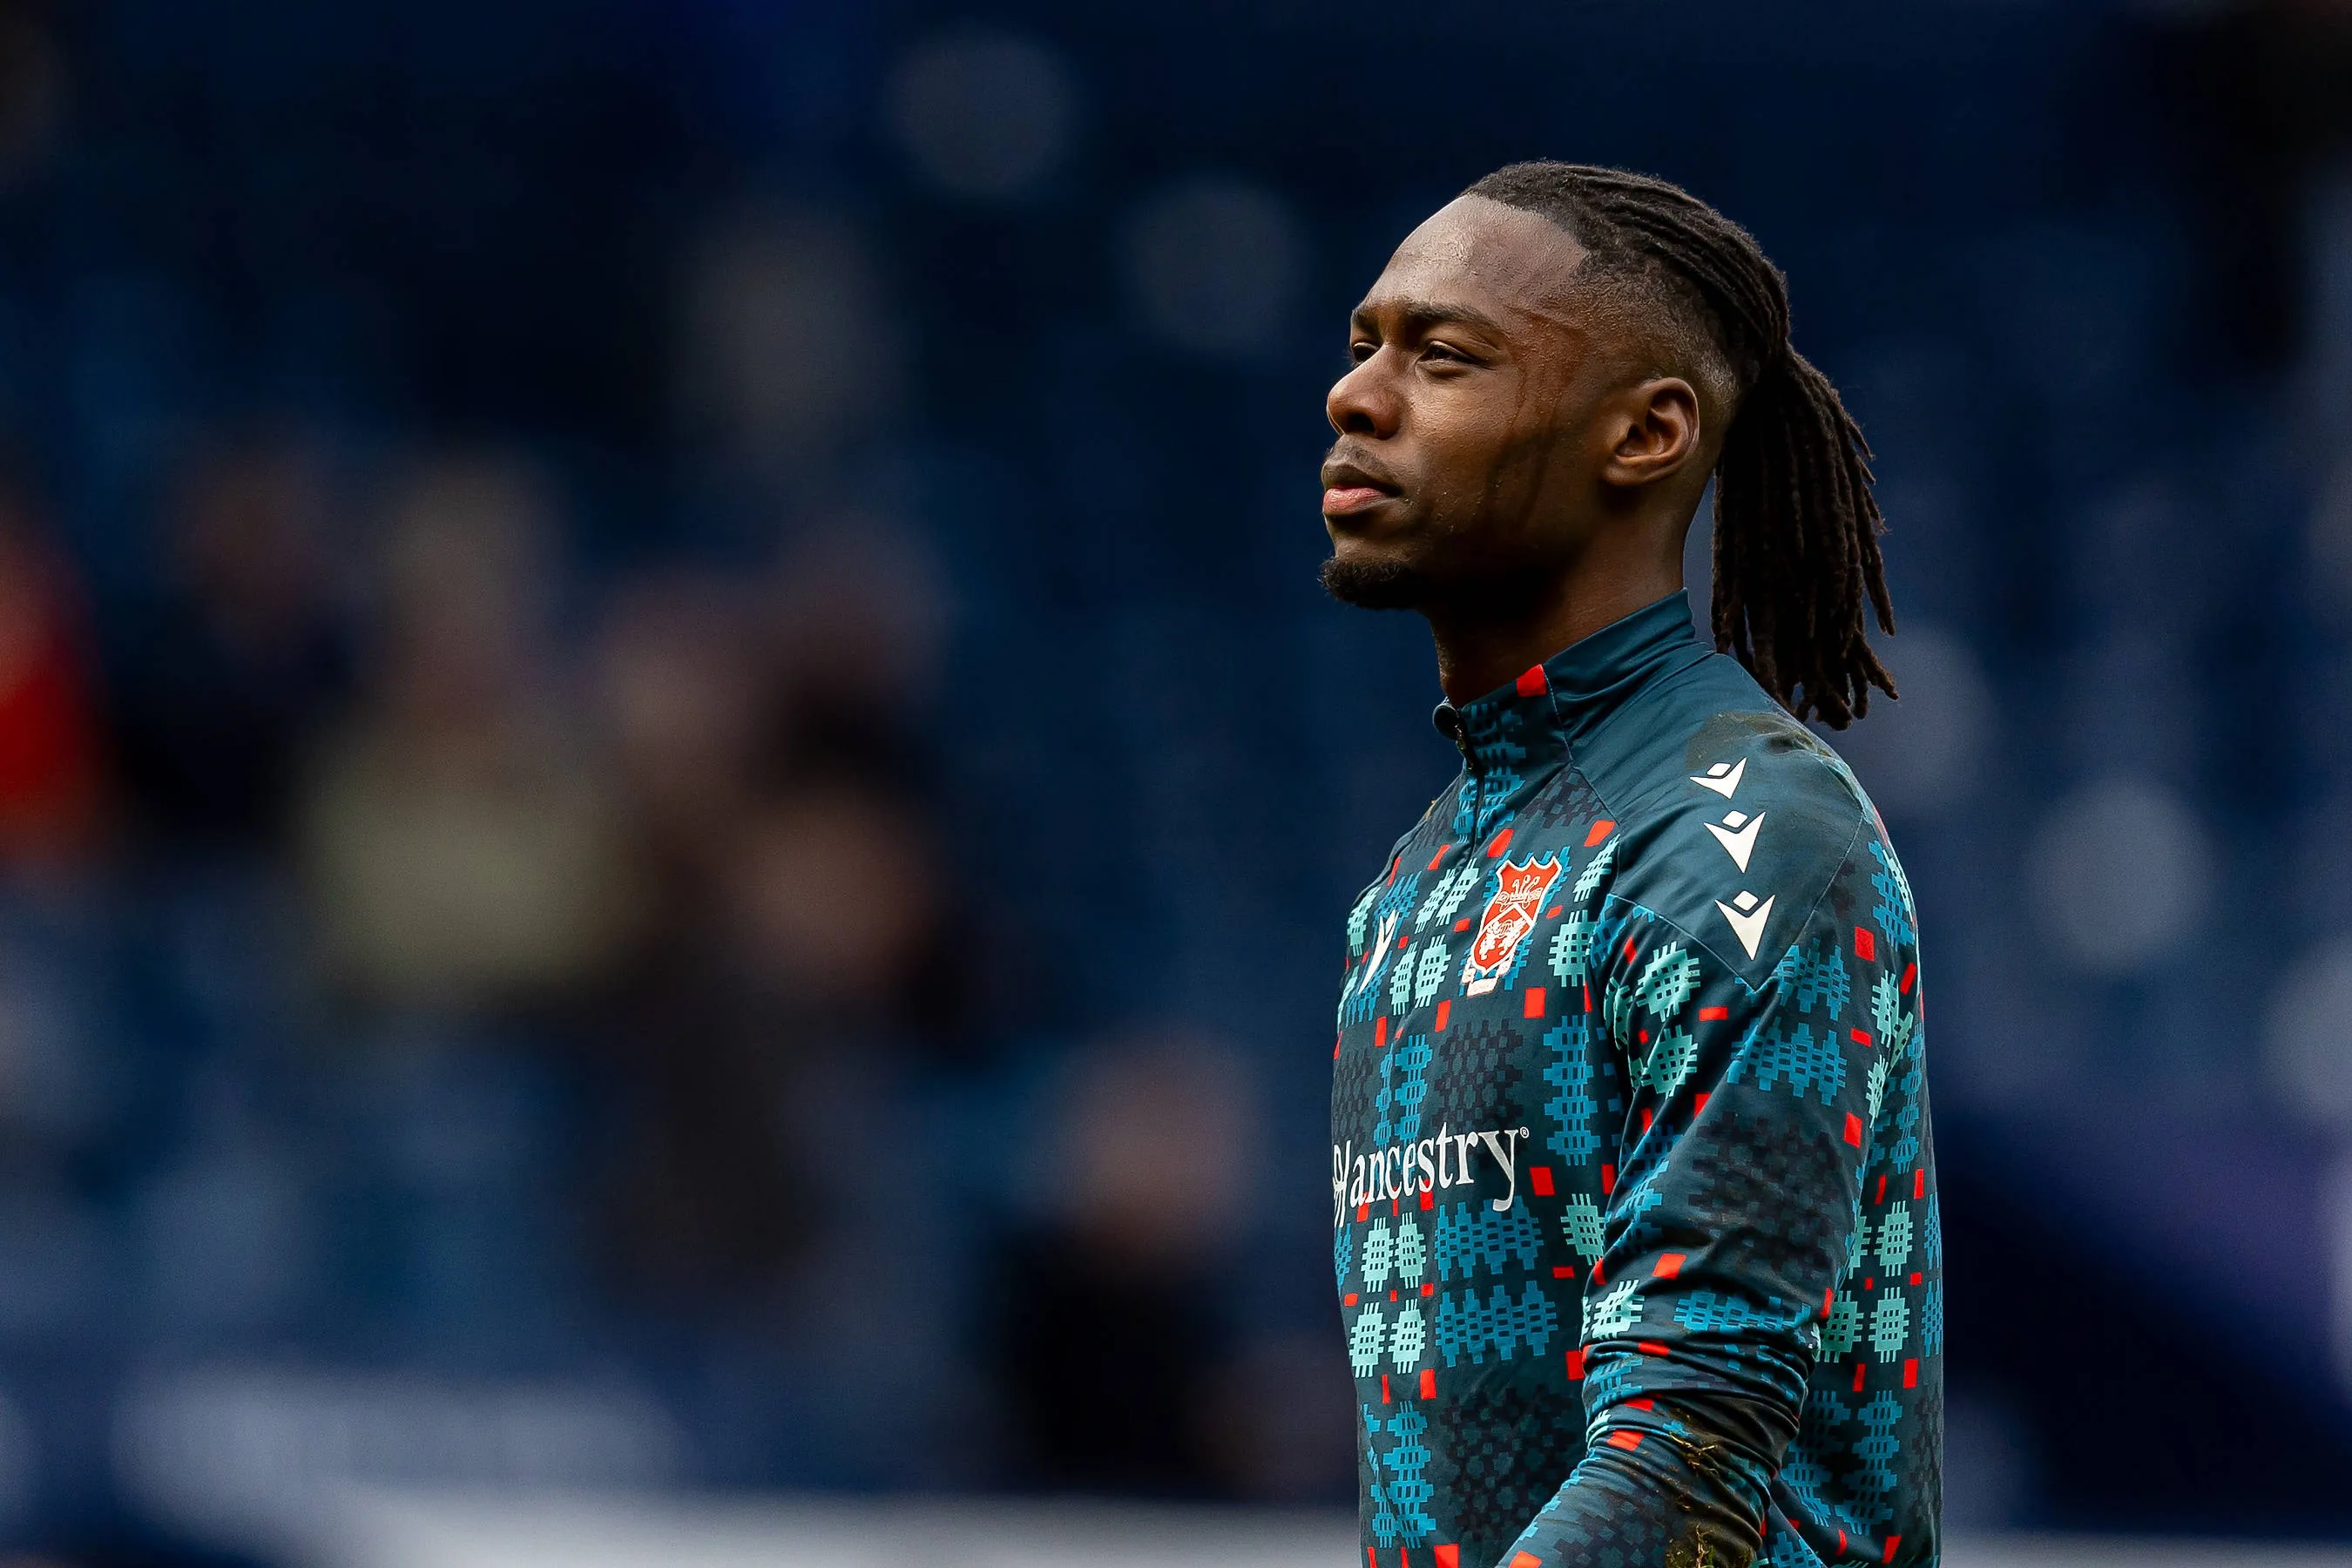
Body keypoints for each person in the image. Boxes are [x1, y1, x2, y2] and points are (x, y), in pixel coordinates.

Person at [1320, 163, 1937, 1568]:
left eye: (1446, 357)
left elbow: (1694, 1451)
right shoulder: (1418, 878)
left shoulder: (1745, 834)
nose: (1357, 396)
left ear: (1647, 434)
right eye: (1365, 346)